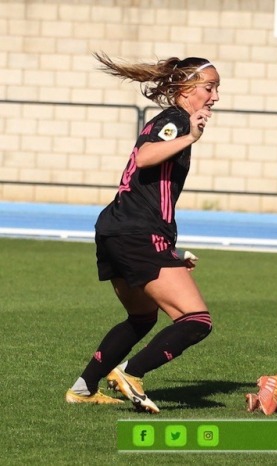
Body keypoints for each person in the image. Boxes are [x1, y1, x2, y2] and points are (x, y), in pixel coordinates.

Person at [64, 52, 220, 413]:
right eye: (209, 88)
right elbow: (145, 155)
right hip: (138, 232)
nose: (214, 97)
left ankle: (84, 388)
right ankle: (130, 374)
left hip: (117, 230)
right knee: (196, 320)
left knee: (142, 317)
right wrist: (190, 137)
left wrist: (172, 255)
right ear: (185, 88)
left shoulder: (172, 119)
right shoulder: (176, 121)